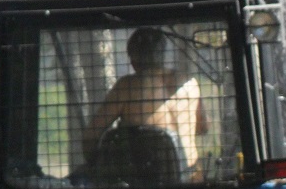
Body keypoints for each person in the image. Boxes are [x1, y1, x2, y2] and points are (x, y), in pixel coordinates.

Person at [82, 27, 208, 177]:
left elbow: (91, 136)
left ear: (134, 58)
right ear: (162, 55)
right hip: (191, 179)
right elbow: (203, 128)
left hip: (148, 183)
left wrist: (98, 169)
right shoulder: (190, 83)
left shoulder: (127, 87)